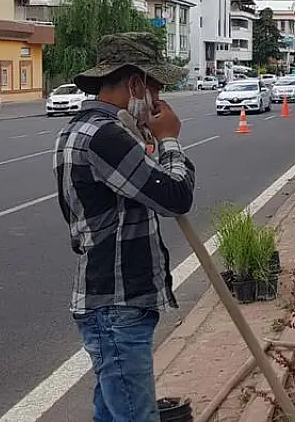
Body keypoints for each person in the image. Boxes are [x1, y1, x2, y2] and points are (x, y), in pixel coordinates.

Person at [56, 32, 196, 422]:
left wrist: (147, 139)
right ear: (135, 84)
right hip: (117, 304)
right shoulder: (104, 136)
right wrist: (169, 140)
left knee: (113, 413)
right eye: (156, 88)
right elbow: (175, 196)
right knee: (136, 416)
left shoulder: (88, 130)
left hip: (113, 303)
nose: (158, 100)